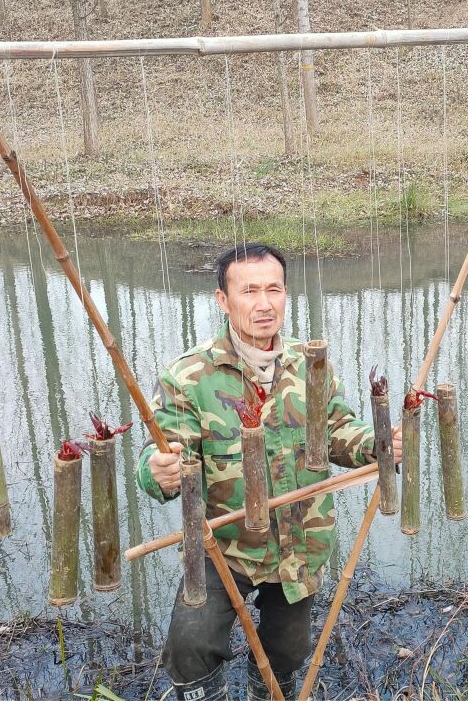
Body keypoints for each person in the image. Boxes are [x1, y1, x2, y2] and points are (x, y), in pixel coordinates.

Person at [137, 242, 401, 701]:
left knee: (287, 652)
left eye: (274, 290)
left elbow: (337, 428)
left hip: (297, 547)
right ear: (223, 300)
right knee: (190, 645)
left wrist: (378, 446)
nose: (264, 304)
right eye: (249, 291)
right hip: (224, 549)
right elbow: (163, 453)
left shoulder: (310, 363)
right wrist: (157, 471)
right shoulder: (189, 376)